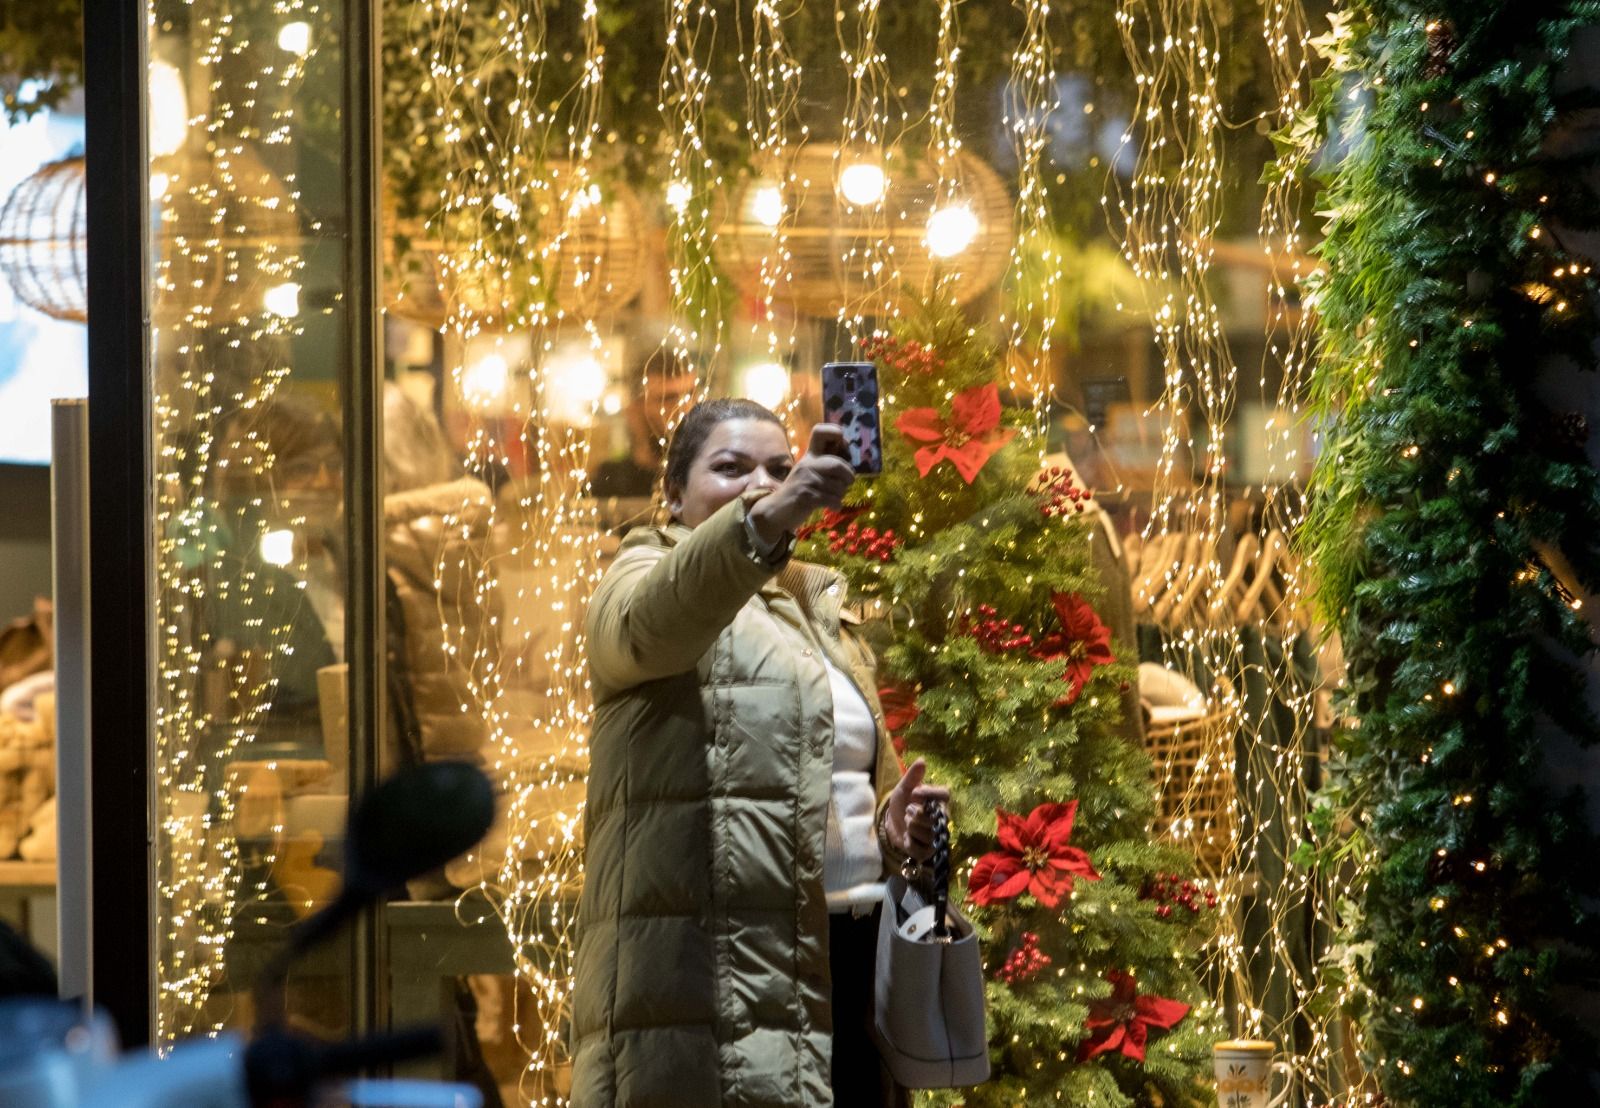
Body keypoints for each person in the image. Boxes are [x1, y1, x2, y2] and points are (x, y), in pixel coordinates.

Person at [570, 398, 949, 1108]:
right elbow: (653, 624)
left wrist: (888, 836)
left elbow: (819, 782)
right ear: (674, 494)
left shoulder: (814, 601)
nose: (761, 483)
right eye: (730, 467)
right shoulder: (641, 575)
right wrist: (764, 519)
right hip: (722, 973)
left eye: (779, 468)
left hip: (852, 958)